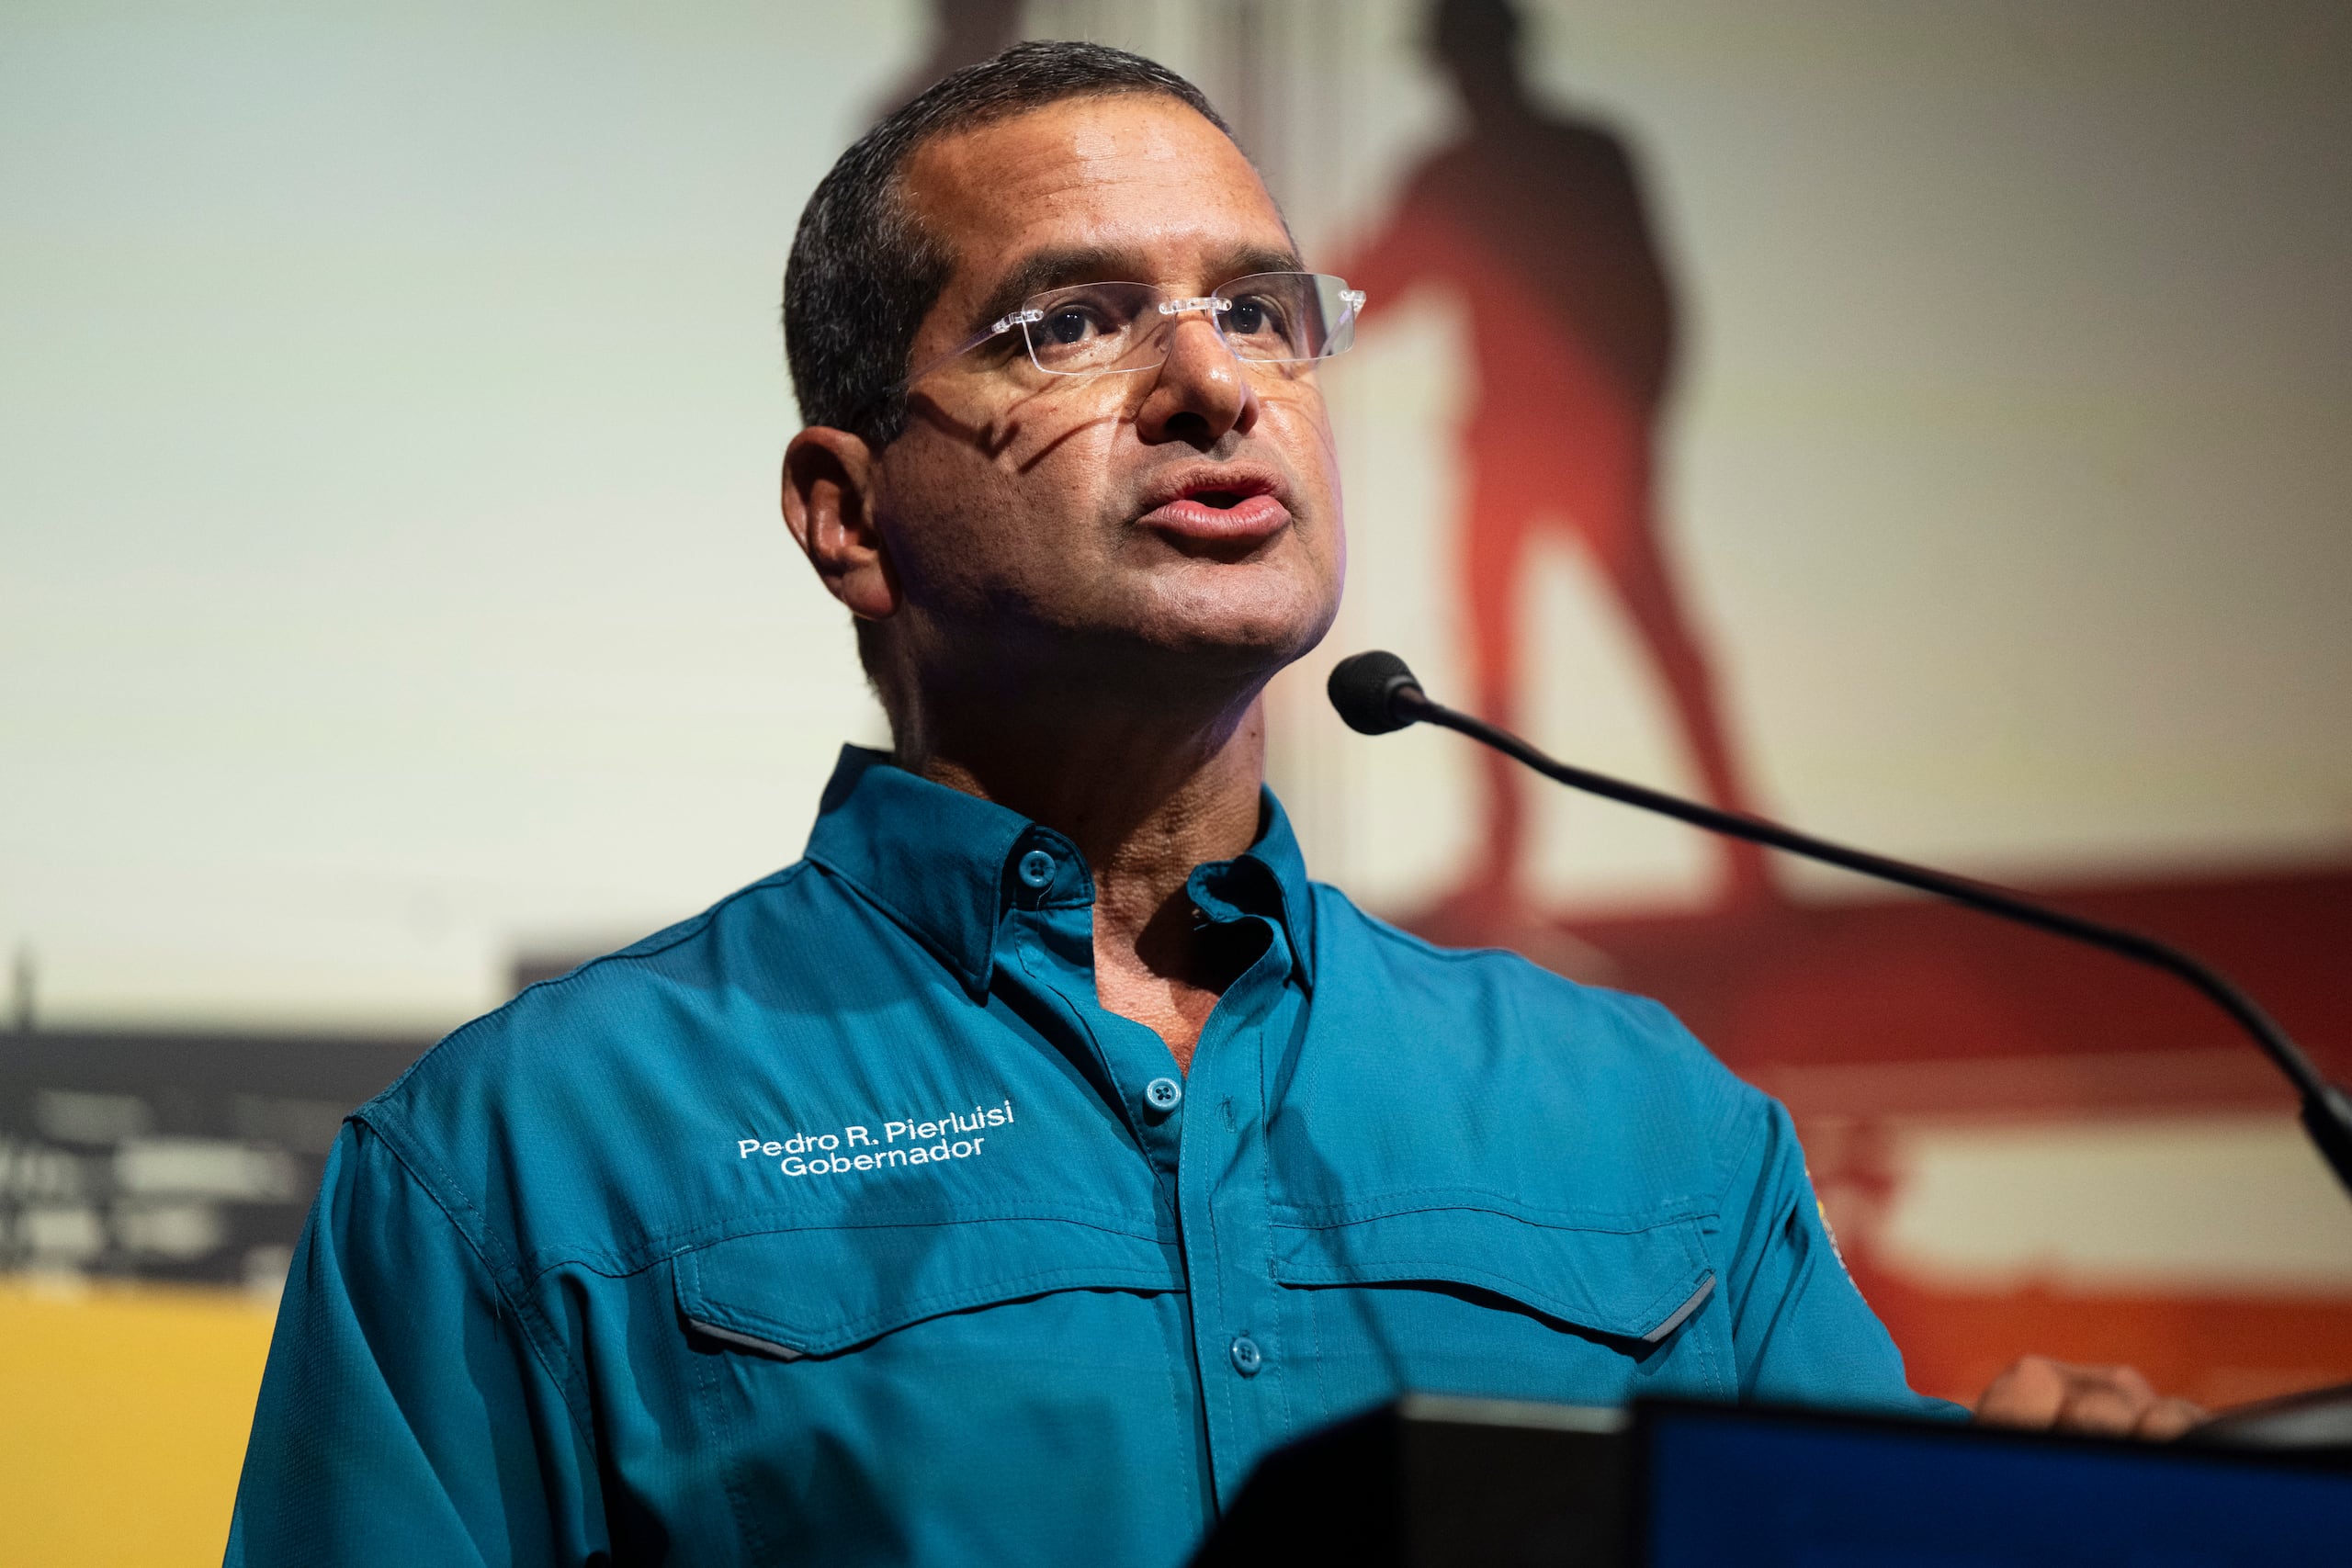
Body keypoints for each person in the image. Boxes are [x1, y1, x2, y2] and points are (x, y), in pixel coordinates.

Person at [225, 41, 2198, 1567]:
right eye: (1069, 322)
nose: (1211, 382)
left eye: (1261, 311)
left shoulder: (1657, 1131)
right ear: (845, 511)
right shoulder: (515, 1163)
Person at [1344, 0, 1774, 918]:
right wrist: (1270, 301)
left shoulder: (1570, 159)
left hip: (1578, 447)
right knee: (1499, 648)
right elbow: (1377, 289)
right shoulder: (1462, 175)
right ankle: (1511, 860)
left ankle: (1745, 856)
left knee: (1653, 645)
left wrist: (1629, 432)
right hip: (1510, 452)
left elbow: (1649, 299)